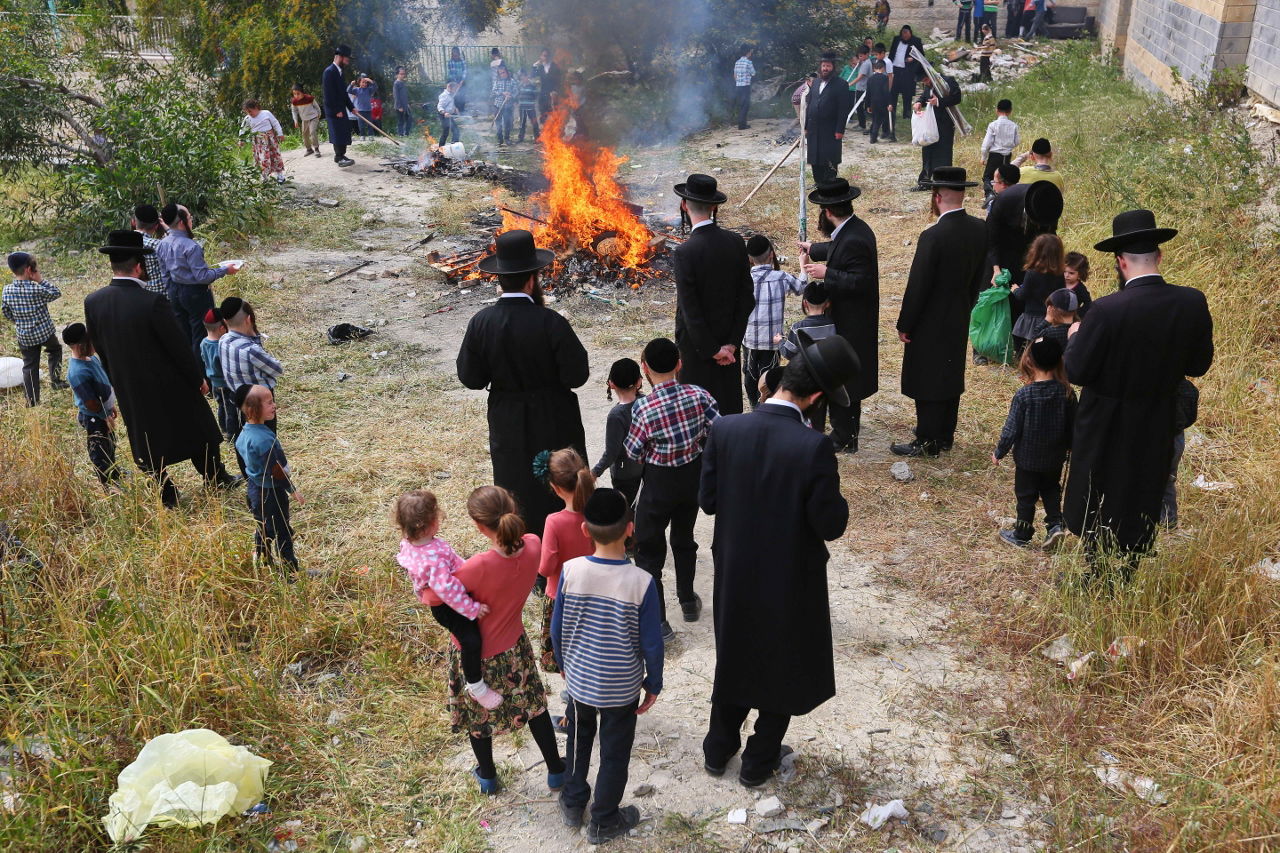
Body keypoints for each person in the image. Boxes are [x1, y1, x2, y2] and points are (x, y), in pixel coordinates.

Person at [699, 334, 857, 788]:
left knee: (736, 650)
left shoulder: (726, 429)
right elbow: (830, 524)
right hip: (789, 574)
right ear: (817, 397)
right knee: (782, 659)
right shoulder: (813, 447)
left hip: (735, 567)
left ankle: (717, 748)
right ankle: (758, 759)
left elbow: (708, 501)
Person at [1063, 210, 1214, 573]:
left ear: (1120, 262)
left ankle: (1097, 568)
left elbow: (1078, 371)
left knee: (1099, 488)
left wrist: (1075, 338)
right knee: (1145, 484)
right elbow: (1198, 365)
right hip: (1158, 414)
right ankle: (1130, 567)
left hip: (1106, 419)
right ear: (1159, 256)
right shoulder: (1192, 301)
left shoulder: (1105, 310)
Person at [84, 230, 238, 507]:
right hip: (169, 382)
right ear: (139, 266)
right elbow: (178, 346)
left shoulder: (93, 302)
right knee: (198, 429)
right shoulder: (152, 302)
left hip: (128, 385)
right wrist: (197, 378)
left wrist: (116, 380)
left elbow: (100, 347)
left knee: (146, 441)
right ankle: (216, 477)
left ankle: (167, 493)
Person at [456, 230, 590, 537]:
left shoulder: (481, 322)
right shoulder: (551, 322)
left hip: (507, 419)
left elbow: (471, 378)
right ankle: (562, 546)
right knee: (558, 483)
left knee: (514, 484)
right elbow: (577, 376)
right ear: (532, 280)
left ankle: (522, 547)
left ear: (500, 279)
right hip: (554, 416)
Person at [551, 488, 663, 843]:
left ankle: (573, 802)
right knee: (615, 753)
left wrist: (564, 664)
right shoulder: (642, 583)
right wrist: (654, 683)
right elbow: (652, 644)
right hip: (622, 688)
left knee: (578, 741)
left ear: (585, 530)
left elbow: (556, 628)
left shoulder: (571, 571)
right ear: (630, 529)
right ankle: (603, 819)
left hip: (580, 681)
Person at [447, 485, 567, 796]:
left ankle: (487, 777)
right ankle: (556, 770)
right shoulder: (533, 544)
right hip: (514, 645)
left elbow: (435, 596)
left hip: (475, 653)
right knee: (535, 707)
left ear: (478, 525)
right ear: (513, 510)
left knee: (478, 717)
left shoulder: (477, 566)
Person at [623, 337, 718, 638]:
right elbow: (718, 430)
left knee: (649, 550)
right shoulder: (700, 396)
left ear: (644, 368)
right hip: (691, 478)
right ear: (679, 364)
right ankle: (688, 600)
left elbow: (633, 451)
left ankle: (659, 621)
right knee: (684, 537)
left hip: (658, 483)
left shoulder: (643, 407)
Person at [892, 168, 988, 457]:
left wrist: (905, 323)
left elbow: (918, 285)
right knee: (950, 371)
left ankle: (927, 439)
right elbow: (978, 277)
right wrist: (966, 304)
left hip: (930, 319)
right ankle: (945, 434)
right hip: (960, 312)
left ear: (936, 197)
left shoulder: (933, 236)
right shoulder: (980, 228)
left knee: (927, 376)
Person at [395, 489, 502, 710]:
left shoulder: (414, 543)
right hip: (448, 606)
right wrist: (471, 608)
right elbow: (446, 589)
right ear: (428, 525)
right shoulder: (433, 558)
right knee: (471, 640)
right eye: (437, 516)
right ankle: (476, 686)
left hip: (448, 598)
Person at [800, 178, 879, 451]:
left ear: (828, 212)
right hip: (851, 318)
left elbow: (861, 281)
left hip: (852, 321)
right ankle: (845, 430)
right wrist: (813, 249)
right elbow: (838, 248)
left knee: (847, 378)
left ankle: (845, 437)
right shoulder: (853, 229)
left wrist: (827, 273)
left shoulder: (854, 238)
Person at [671, 173, 754, 415]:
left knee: (697, 416)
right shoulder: (736, 242)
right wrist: (732, 344)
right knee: (727, 412)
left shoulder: (685, 252)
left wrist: (712, 350)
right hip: (729, 349)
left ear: (684, 205)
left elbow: (691, 311)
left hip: (697, 353)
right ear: (714, 207)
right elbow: (746, 298)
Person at [992, 336, 1075, 549]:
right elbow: (1073, 425)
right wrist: (1071, 447)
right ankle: (1055, 525)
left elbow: (1011, 429)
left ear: (1029, 361)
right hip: (1054, 457)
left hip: (1027, 459)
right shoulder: (1066, 392)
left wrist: (999, 451)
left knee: (1026, 496)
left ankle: (1022, 534)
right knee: (1051, 489)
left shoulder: (1024, 395)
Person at [537, 448, 596, 673]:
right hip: (592, 593)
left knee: (565, 653)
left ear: (556, 488)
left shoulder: (554, 521)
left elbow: (546, 568)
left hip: (561, 596)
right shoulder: (595, 513)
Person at [156, 202, 238, 354]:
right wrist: (225, 270)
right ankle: (201, 367)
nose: (191, 219)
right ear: (182, 222)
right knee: (200, 333)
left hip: (174, 292)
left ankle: (188, 364)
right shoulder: (191, 246)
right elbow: (202, 277)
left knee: (184, 332)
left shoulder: (162, 244)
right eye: (189, 217)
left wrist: (171, 291)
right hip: (195, 294)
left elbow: (165, 273)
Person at [235, 385, 301, 573]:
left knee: (263, 526)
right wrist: (292, 490)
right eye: (269, 402)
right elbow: (276, 471)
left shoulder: (244, 434)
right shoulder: (263, 440)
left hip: (254, 488)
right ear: (254, 409)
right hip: (270, 492)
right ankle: (290, 571)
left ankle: (263, 559)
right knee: (282, 531)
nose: (274, 406)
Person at [742, 234, 804, 409]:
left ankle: (754, 406)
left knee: (750, 375)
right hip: (773, 341)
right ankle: (767, 407)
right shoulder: (781, 277)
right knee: (769, 378)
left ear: (749, 258)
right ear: (771, 254)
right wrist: (803, 266)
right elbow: (801, 287)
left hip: (750, 339)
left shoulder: (743, 279)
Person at [3, 252, 66, 406]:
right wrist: (40, 280)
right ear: (29, 270)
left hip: (25, 337)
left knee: (30, 366)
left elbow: (6, 311)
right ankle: (56, 381)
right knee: (55, 350)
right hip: (44, 333)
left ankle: (32, 401)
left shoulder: (7, 290)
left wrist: (19, 321)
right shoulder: (35, 288)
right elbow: (56, 293)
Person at [62, 322, 119, 486]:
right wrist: (104, 415)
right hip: (94, 418)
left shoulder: (92, 358)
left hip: (104, 412)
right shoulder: (77, 372)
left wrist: (110, 405)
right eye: (91, 341)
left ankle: (114, 472)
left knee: (110, 443)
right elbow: (91, 403)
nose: (95, 344)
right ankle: (107, 483)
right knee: (99, 450)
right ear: (80, 345)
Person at [778, 281, 838, 431]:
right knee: (822, 408)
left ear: (805, 303)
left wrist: (780, 342)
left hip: (806, 377)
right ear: (828, 303)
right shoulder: (834, 325)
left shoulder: (798, 328)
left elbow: (788, 353)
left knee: (809, 412)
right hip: (827, 376)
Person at [591, 358, 646, 507]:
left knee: (627, 511)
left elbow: (611, 453)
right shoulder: (646, 402)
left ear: (611, 384)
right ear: (639, 381)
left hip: (625, 474)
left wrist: (595, 472)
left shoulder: (616, 415)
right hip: (647, 468)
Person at [804, 51, 852, 184]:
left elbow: (843, 109)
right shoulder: (815, 82)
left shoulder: (841, 84)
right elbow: (810, 104)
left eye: (828, 66)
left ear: (833, 67)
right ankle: (818, 182)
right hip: (814, 127)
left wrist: (840, 130)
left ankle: (830, 183)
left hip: (830, 129)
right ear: (820, 66)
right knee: (815, 156)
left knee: (829, 156)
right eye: (823, 65)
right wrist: (806, 126)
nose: (825, 68)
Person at [1011, 232, 1065, 349]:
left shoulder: (1032, 273)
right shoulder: (1060, 274)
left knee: (1028, 345)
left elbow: (1023, 295)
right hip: (1051, 316)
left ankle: (1023, 356)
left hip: (1032, 317)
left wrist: (1015, 289)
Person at [912, 72, 962, 191]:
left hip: (944, 124)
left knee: (943, 152)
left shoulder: (947, 81)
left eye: (926, 80)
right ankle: (926, 181)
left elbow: (957, 98)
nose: (925, 83)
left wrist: (939, 101)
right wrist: (919, 102)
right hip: (930, 124)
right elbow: (925, 97)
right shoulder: (928, 85)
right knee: (928, 151)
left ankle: (943, 181)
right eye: (923, 81)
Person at [1162, 380, 1198, 529]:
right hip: (1173, 426)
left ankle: (1167, 525)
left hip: (1169, 425)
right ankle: (1168, 524)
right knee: (1166, 479)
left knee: (1164, 478)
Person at [200, 309, 237, 442]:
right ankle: (230, 433)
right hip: (224, 383)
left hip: (214, 383)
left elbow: (203, 359)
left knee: (222, 405)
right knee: (229, 408)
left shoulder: (204, 343)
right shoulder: (220, 347)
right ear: (222, 328)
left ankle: (225, 429)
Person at [979, 98, 1019, 201]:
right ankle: (1004, 196)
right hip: (1007, 155)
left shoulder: (993, 125)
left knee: (988, 176)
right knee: (1004, 176)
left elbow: (986, 144)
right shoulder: (1014, 125)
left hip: (995, 155)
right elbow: (1016, 142)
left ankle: (990, 195)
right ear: (1010, 111)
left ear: (996, 110)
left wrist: (983, 156)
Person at [322, 45, 355, 167]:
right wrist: (336, 110)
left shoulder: (340, 72)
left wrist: (351, 107)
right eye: (347, 58)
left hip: (341, 108)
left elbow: (343, 93)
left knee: (344, 132)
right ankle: (339, 157)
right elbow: (328, 94)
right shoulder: (329, 72)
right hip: (334, 110)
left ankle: (342, 155)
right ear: (340, 57)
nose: (348, 61)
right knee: (337, 133)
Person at [241, 99, 286, 184]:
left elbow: (275, 123)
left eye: (250, 111)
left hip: (270, 140)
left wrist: (280, 134)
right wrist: (241, 139)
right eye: (247, 112)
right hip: (259, 143)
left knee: (275, 157)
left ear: (256, 107)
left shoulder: (266, 113)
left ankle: (280, 175)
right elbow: (243, 129)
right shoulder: (247, 118)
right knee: (263, 159)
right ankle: (264, 177)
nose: (249, 113)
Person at [131, 204, 170, 294]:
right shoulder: (159, 245)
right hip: (161, 296)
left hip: (136, 295)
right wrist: (168, 229)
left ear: (133, 222)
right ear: (156, 226)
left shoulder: (124, 243)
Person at [888, 26, 924, 119]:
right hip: (895, 69)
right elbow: (892, 53)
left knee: (907, 93)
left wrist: (913, 59)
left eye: (906, 33)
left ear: (910, 33)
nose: (905, 36)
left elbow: (921, 55)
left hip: (908, 70)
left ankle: (907, 114)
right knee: (893, 91)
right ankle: (892, 111)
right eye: (903, 34)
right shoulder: (896, 39)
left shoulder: (916, 41)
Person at [865, 59, 896, 143]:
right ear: (883, 68)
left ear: (874, 68)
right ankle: (877, 137)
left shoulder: (870, 79)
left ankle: (873, 135)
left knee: (875, 120)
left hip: (873, 103)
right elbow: (886, 91)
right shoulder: (884, 78)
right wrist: (889, 103)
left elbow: (868, 93)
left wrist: (867, 105)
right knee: (884, 119)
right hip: (882, 102)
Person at [290, 84, 322, 157]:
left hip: (313, 117)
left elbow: (317, 107)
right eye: (294, 94)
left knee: (312, 132)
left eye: (298, 93)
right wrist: (295, 121)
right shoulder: (294, 101)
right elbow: (294, 111)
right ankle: (309, 149)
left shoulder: (309, 98)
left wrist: (319, 114)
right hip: (304, 120)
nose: (296, 96)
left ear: (302, 92)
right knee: (305, 134)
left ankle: (316, 149)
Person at [848, 46, 873, 132]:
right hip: (861, 87)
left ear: (867, 54)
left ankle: (863, 125)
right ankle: (862, 123)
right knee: (859, 107)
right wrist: (859, 62)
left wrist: (850, 84)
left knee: (860, 106)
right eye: (859, 56)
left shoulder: (866, 64)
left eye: (861, 56)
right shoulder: (864, 62)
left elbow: (860, 77)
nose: (860, 58)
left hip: (863, 89)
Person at [492, 65, 518, 146]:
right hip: (498, 104)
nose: (502, 74)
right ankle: (500, 138)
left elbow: (516, 91)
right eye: (500, 73)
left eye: (503, 72)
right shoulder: (497, 81)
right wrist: (502, 93)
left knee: (507, 122)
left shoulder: (512, 81)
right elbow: (493, 92)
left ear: (507, 72)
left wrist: (511, 95)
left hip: (508, 105)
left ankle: (507, 138)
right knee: (498, 122)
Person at [1063, 251, 1093, 317]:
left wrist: (1077, 314)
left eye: (1071, 273)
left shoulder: (1080, 289)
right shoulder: (1057, 282)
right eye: (1064, 271)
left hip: (1070, 319)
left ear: (1080, 274)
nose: (1066, 275)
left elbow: (1088, 304)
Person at [533, 49, 563, 116]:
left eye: (547, 56)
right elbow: (533, 77)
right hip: (543, 94)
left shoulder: (554, 66)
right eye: (544, 56)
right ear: (541, 56)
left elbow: (559, 80)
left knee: (554, 114)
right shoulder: (540, 67)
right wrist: (534, 66)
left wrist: (555, 91)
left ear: (549, 56)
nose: (545, 57)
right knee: (543, 114)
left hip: (553, 94)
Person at [733, 45, 756, 130]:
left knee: (741, 105)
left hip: (738, 86)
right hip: (745, 86)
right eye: (750, 52)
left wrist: (738, 81)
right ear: (748, 53)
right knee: (745, 106)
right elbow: (753, 73)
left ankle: (742, 124)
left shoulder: (737, 62)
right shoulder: (748, 62)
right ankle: (742, 125)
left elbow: (735, 76)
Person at [517, 69, 540, 142]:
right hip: (522, 107)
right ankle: (520, 138)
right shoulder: (520, 85)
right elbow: (518, 94)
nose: (523, 78)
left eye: (524, 77)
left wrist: (531, 100)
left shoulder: (532, 85)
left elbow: (535, 95)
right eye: (521, 77)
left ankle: (537, 138)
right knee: (522, 123)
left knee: (534, 122)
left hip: (530, 107)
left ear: (527, 77)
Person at [437, 81, 460, 146]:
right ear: (449, 87)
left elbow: (450, 104)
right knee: (446, 132)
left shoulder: (451, 94)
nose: (455, 90)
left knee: (456, 130)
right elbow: (439, 106)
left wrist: (455, 109)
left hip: (449, 115)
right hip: (444, 115)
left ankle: (454, 146)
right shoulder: (444, 95)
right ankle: (440, 148)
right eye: (454, 89)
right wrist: (444, 113)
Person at [446, 46, 469, 113]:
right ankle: (456, 110)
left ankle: (462, 110)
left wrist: (462, 81)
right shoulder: (450, 62)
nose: (455, 56)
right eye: (454, 55)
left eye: (456, 55)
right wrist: (455, 83)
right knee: (455, 96)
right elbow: (451, 73)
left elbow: (465, 71)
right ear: (452, 55)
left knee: (462, 95)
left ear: (459, 54)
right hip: (453, 81)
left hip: (462, 80)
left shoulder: (463, 62)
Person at [392, 66, 412, 136]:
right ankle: (400, 134)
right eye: (401, 74)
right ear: (397, 74)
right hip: (399, 106)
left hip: (405, 105)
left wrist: (407, 104)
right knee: (401, 121)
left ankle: (407, 133)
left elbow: (404, 95)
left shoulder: (403, 82)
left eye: (403, 74)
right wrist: (399, 106)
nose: (403, 75)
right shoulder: (396, 83)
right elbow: (396, 96)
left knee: (409, 119)